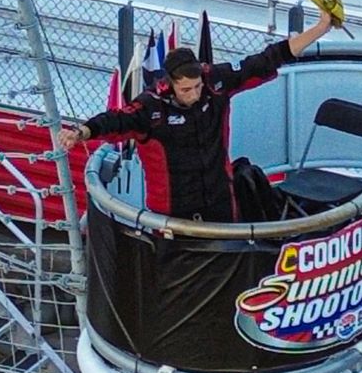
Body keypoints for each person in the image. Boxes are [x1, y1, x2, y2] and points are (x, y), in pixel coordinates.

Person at [58, 12, 332, 222]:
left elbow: (267, 59)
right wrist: (81, 132)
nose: (194, 94)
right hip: (173, 215)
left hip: (220, 202)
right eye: (186, 89)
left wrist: (320, 28)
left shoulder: (216, 82)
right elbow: (114, 121)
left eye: (198, 86)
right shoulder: (151, 108)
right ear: (171, 83)